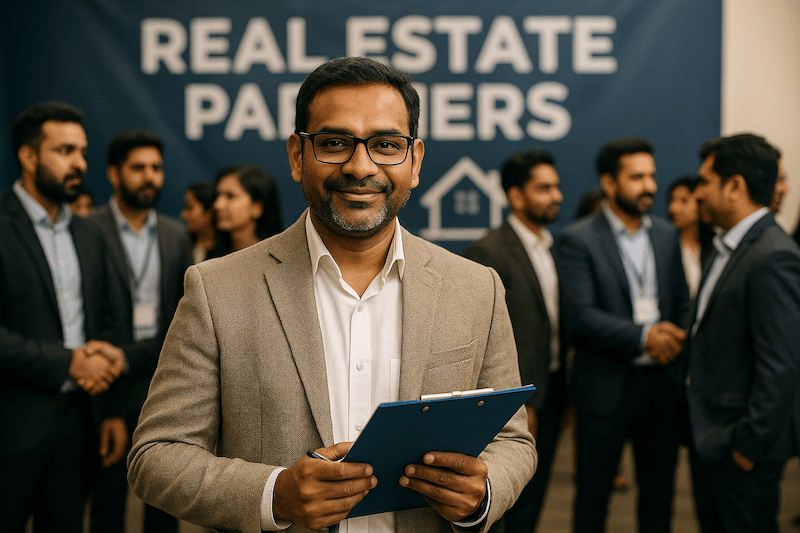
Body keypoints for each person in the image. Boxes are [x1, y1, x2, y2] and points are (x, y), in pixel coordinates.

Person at [128, 56, 536, 533]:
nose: (361, 166)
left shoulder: (476, 288)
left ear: (415, 160)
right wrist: (274, 494)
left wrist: (482, 494)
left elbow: (513, 440)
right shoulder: (217, 290)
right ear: (298, 156)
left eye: (386, 144)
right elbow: (156, 456)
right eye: (335, 143)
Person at [0, 101, 127, 532]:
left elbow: (108, 324)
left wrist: (110, 411)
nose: (79, 164)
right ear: (29, 156)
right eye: (65, 151)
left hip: (80, 426)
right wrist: (69, 362)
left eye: (83, 153)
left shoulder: (90, 234)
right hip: (10, 428)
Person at [552, 137, 689, 533]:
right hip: (604, 389)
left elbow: (681, 299)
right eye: (637, 177)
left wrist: (673, 338)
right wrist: (646, 337)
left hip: (660, 388)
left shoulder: (665, 235)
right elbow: (580, 317)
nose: (649, 186)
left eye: (651, 176)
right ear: (610, 184)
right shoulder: (577, 240)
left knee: (659, 500)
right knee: (592, 503)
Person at [684, 133, 800, 533]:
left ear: (734, 187)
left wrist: (747, 448)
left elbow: (781, 367)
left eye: (704, 182)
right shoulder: (726, 246)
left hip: (740, 452)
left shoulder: (773, 255)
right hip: (713, 442)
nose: (696, 193)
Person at [87, 129, 193, 533]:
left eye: (156, 168)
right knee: (108, 501)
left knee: (163, 502)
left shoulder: (175, 234)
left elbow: (181, 317)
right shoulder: (88, 229)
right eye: (138, 168)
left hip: (162, 380)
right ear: (115, 174)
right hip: (105, 383)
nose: (149, 176)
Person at [463, 148, 565, 533]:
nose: (555, 196)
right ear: (516, 196)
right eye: (544, 188)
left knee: (536, 499)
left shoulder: (551, 247)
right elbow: (483, 342)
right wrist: (522, 402)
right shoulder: (488, 253)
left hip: (554, 392)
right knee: (511, 504)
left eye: (556, 187)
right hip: (519, 402)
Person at [212, 163, 284, 255]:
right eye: (217, 196)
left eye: (230, 196)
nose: (218, 205)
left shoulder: (279, 257)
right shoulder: (208, 258)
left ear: (257, 207)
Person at [666, 175, 715, 298]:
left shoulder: (715, 245)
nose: (673, 209)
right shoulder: (665, 246)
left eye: (684, 201)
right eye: (671, 201)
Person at [181, 180, 218, 263]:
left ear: (209, 212)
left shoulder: (227, 250)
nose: (183, 215)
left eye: (189, 207)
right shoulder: (181, 244)